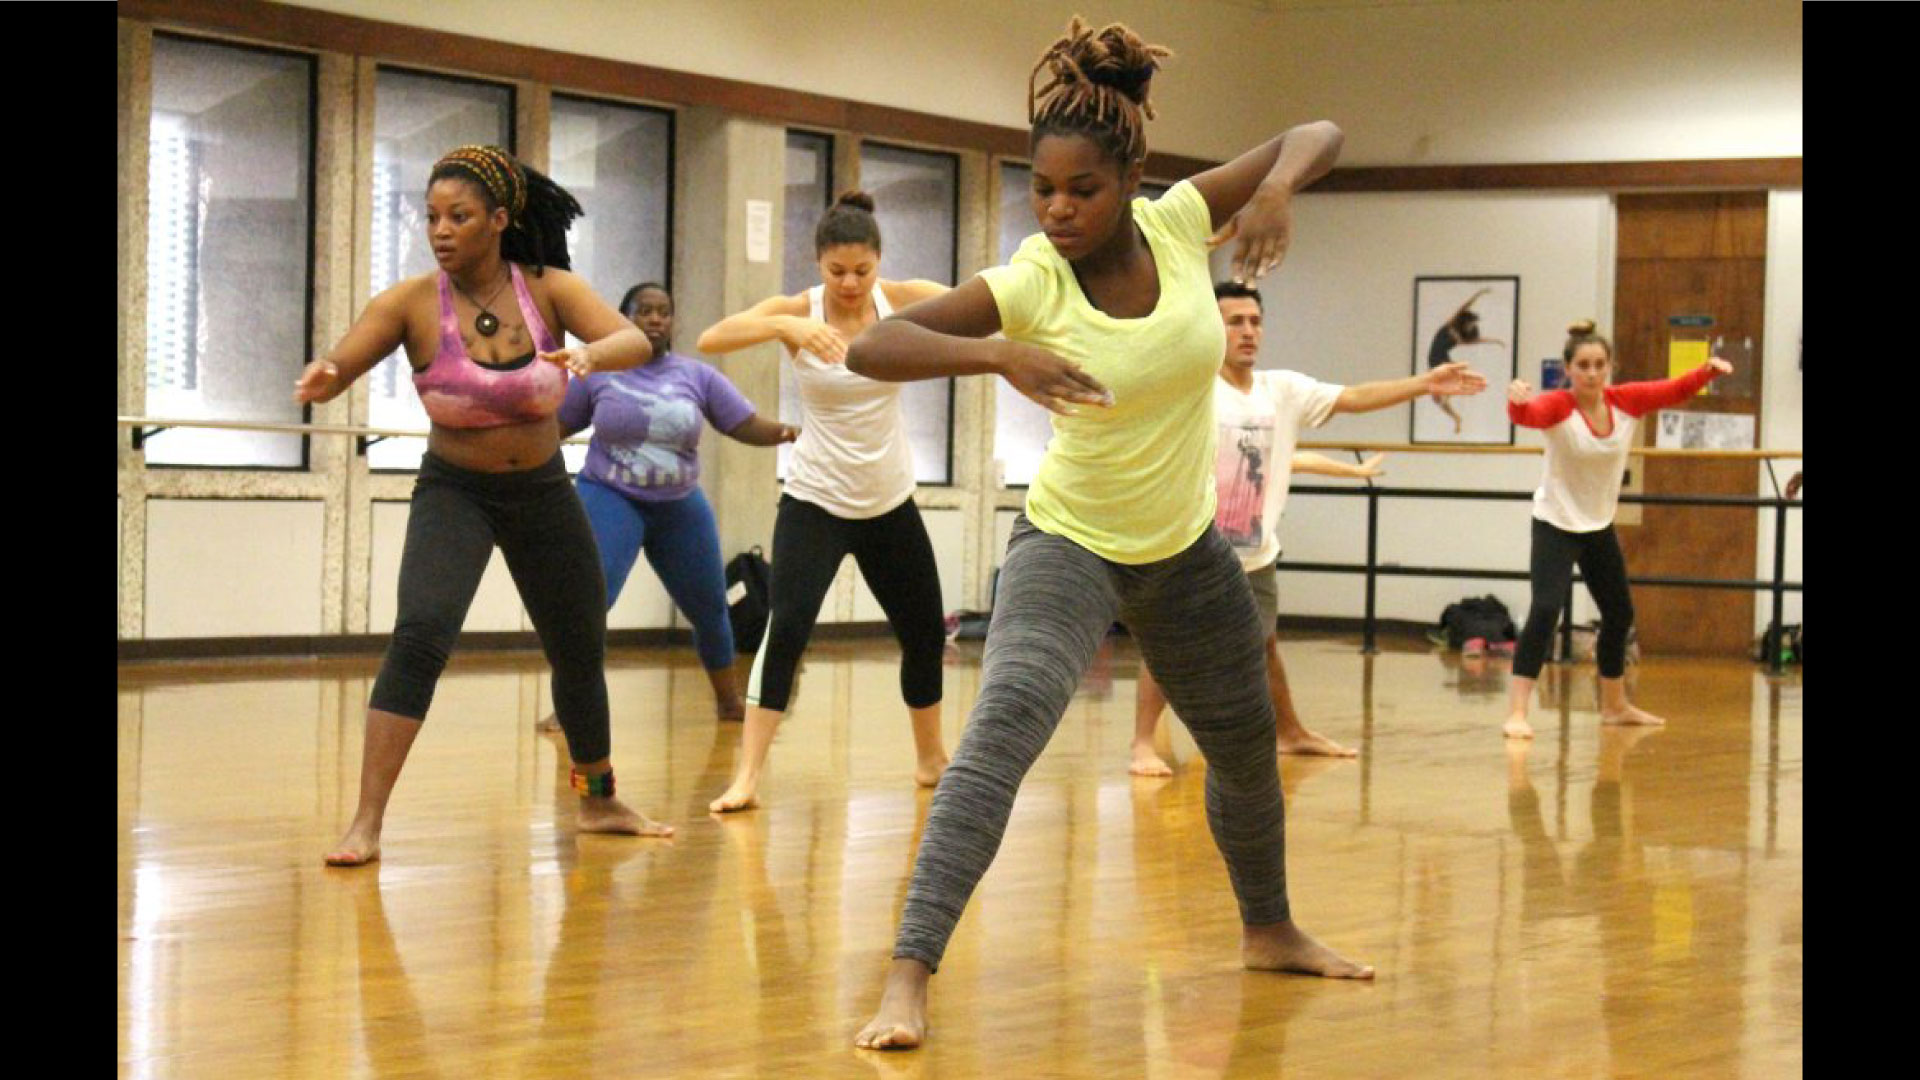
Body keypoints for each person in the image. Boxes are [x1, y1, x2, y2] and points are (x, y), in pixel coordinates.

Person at [844, 19, 1371, 1052]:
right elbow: (873, 345)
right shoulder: (1034, 278)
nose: (1057, 208)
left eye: (1081, 189)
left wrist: (1274, 189)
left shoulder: (1180, 224)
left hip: (1184, 550)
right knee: (999, 743)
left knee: (1245, 752)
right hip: (1068, 546)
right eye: (1042, 190)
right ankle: (907, 975)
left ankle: (1268, 927)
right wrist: (998, 355)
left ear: (1129, 179)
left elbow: (1320, 126)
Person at [297, 145, 674, 866]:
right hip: (455, 492)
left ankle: (599, 799)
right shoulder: (409, 304)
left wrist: (593, 356)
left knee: (578, 642)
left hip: (541, 492)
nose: (441, 230)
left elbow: (629, 337)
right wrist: (329, 372)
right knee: (421, 633)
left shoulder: (550, 289)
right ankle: (366, 821)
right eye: (432, 217)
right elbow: (348, 358)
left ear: (498, 221)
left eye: (459, 216)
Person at [1129, 280, 1490, 774]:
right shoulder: (1191, 388)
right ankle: (1143, 743)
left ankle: (1291, 732)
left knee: (1265, 644)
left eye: (1255, 321)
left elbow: (1355, 397)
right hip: (1189, 549)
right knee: (1169, 645)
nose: (1248, 331)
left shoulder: (1284, 390)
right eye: (1235, 321)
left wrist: (1424, 383)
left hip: (1255, 553)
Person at [693, 191, 952, 813]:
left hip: (888, 500)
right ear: (819, 265)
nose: (850, 284)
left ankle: (930, 759)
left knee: (923, 631)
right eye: (837, 271)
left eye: (862, 271)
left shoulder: (900, 298)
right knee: (786, 629)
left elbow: (992, 305)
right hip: (815, 500)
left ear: (878, 263)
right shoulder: (801, 311)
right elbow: (711, 338)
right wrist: (783, 325)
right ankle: (748, 777)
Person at [533, 282, 796, 731]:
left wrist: (790, 432)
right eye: (644, 311)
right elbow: (554, 427)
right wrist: (506, 455)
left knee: (711, 605)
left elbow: (743, 424)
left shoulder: (697, 377)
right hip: (609, 495)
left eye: (664, 312)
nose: (655, 319)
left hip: (678, 504)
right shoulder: (597, 373)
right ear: (623, 319)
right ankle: (571, 706)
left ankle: (728, 701)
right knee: (590, 602)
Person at [1501, 319, 1732, 740]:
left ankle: (1615, 705)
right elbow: (1528, 416)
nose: (1591, 373)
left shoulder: (1625, 401)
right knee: (1546, 608)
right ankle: (1518, 711)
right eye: (1583, 365)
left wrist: (1707, 372)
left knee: (1620, 612)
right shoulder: (1558, 405)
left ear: (1609, 368)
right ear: (1568, 369)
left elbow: (1673, 389)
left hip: (1597, 526)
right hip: (1555, 522)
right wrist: (1516, 402)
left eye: (1599, 365)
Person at [1427, 287, 1504, 434]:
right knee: (1437, 398)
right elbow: (1465, 306)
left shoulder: (1462, 337)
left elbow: (1475, 341)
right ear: (1465, 321)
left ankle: (1455, 414)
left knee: (1446, 389)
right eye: (1471, 324)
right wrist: (1479, 294)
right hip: (1435, 359)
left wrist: (1495, 341)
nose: (1472, 326)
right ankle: (1455, 416)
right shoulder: (1452, 323)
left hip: (1443, 360)